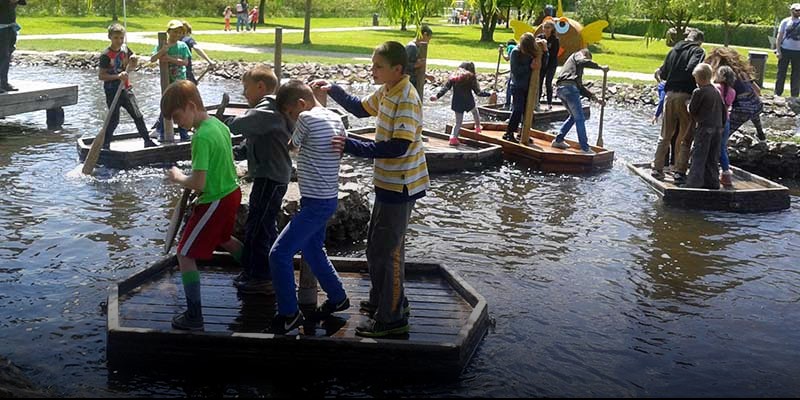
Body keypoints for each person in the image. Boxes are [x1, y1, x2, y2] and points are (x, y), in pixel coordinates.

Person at [313, 41, 428, 337]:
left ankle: (391, 319)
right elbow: (361, 109)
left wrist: (350, 145)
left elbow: (398, 147)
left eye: (378, 66)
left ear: (397, 69)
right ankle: (386, 302)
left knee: (387, 251)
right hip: (387, 183)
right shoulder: (388, 90)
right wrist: (333, 89)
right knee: (377, 246)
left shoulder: (407, 97)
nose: (372, 70)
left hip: (401, 184)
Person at [267, 80, 350, 334]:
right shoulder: (335, 117)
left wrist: (292, 135)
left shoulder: (305, 116)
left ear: (300, 105)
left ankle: (289, 314)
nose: (292, 118)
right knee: (313, 249)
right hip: (327, 198)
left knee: (278, 254)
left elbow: (294, 145)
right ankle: (338, 297)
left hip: (315, 203)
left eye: (290, 113)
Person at [162, 80, 243, 331]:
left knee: (184, 254)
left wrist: (178, 178)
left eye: (177, 117)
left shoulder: (201, 137)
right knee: (224, 238)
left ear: (190, 106)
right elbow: (224, 163)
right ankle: (256, 274)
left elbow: (198, 182)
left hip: (215, 200)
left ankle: (194, 316)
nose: (177, 124)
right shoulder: (218, 126)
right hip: (231, 192)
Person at [225, 65, 291, 295]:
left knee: (259, 227)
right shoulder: (267, 113)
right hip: (268, 176)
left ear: (261, 87)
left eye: (246, 88)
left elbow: (241, 124)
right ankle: (258, 269)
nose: (244, 94)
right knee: (262, 223)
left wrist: (218, 124)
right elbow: (251, 143)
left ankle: (263, 277)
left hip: (271, 178)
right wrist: (234, 153)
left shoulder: (268, 110)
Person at [650, 28, 706, 184]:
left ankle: (657, 168)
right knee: (684, 136)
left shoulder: (674, 50)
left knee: (665, 135)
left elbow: (664, 73)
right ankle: (678, 171)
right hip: (686, 96)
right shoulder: (698, 51)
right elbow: (693, 68)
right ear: (699, 41)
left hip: (669, 95)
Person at [98, 23, 157, 149]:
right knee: (114, 120)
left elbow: (132, 63)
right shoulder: (105, 55)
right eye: (116, 38)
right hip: (112, 90)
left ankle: (147, 141)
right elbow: (101, 76)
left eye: (121, 38)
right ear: (110, 37)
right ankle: (105, 144)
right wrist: (117, 76)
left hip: (126, 88)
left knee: (138, 115)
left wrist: (134, 59)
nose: (119, 41)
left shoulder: (125, 49)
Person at [549, 49, 608, 154]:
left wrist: (596, 99)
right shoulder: (578, 55)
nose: (586, 62)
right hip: (569, 88)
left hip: (561, 89)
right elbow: (583, 61)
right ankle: (585, 148)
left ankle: (558, 140)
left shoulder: (574, 69)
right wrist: (600, 67)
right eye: (588, 59)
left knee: (573, 117)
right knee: (580, 118)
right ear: (585, 55)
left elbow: (580, 88)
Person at [705, 47, 766, 142]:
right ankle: (760, 133)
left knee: (722, 135)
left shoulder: (723, 74)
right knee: (753, 109)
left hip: (741, 110)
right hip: (757, 106)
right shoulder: (742, 72)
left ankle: (718, 150)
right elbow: (757, 91)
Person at [685, 63, 726, 190]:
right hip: (718, 128)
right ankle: (713, 183)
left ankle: (693, 184)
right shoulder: (716, 91)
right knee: (712, 157)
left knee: (699, 156)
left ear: (699, 78)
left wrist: (687, 104)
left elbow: (692, 110)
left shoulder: (699, 91)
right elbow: (724, 111)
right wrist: (722, 125)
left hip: (704, 128)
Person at [430, 61, 490, 146]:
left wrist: (437, 96)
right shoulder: (471, 77)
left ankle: (453, 138)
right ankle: (477, 127)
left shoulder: (454, 77)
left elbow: (445, 88)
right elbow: (478, 93)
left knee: (458, 122)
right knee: (475, 111)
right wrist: (489, 94)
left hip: (457, 102)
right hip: (468, 101)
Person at [151, 19, 192, 142]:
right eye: (174, 32)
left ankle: (183, 133)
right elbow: (153, 59)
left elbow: (185, 62)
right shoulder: (162, 44)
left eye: (179, 32)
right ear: (168, 32)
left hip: (180, 82)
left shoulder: (183, 46)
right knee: (167, 107)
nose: (177, 35)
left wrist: (168, 58)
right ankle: (163, 133)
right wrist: (162, 51)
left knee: (182, 107)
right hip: (167, 82)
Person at [502, 32, 545, 142]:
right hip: (517, 86)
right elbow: (515, 71)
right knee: (518, 109)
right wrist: (529, 67)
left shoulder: (532, 51)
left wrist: (545, 51)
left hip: (529, 86)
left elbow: (543, 62)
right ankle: (509, 133)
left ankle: (523, 133)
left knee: (528, 111)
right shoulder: (515, 52)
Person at [714, 65, 736, 187]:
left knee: (712, 146)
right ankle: (726, 174)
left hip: (715, 121)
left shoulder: (716, 87)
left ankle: (711, 171)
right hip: (726, 121)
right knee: (722, 147)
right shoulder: (732, 91)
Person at [775, 3, 800, 97]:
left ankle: (794, 95)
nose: (798, 12)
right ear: (792, 10)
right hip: (785, 50)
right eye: (796, 10)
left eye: (799, 10)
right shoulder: (785, 21)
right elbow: (779, 37)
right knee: (781, 73)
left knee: (796, 74)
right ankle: (777, 93)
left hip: (798, 52)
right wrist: (778, 50)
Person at [0, 0, 25, 93]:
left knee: (7, 55)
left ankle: (4, 83)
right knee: (2, 55)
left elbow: (22, 2)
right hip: (1, 28)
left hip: (10, 28)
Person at [405, 24, 435, 95]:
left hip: (415, 82)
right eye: (429, 39)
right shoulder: (412, 47)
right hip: (409, 83)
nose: (428, 42)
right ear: (424, 35)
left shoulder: (418, 47)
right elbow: (404, 65)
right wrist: (416, 65)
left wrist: (426, 76)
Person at [537, 20, 560, 111]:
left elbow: (554, 54)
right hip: (542, 64)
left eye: (548, 28)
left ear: (552, 29)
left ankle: (549, 103)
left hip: (551, 64)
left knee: (548, 83)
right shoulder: (539, 37)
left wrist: (546, 47)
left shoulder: (555, 40)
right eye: (545, 27)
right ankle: (537, 102)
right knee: (539, 82)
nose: (546, 30)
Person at [499, 39, 517, 110]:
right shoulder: (516, 48)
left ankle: (508, 104)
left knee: (509, 88)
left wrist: (502, 53)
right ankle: (511, 105)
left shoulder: (510, 47)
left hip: (514, 74)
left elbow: (507, 58)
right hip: (516, 73)